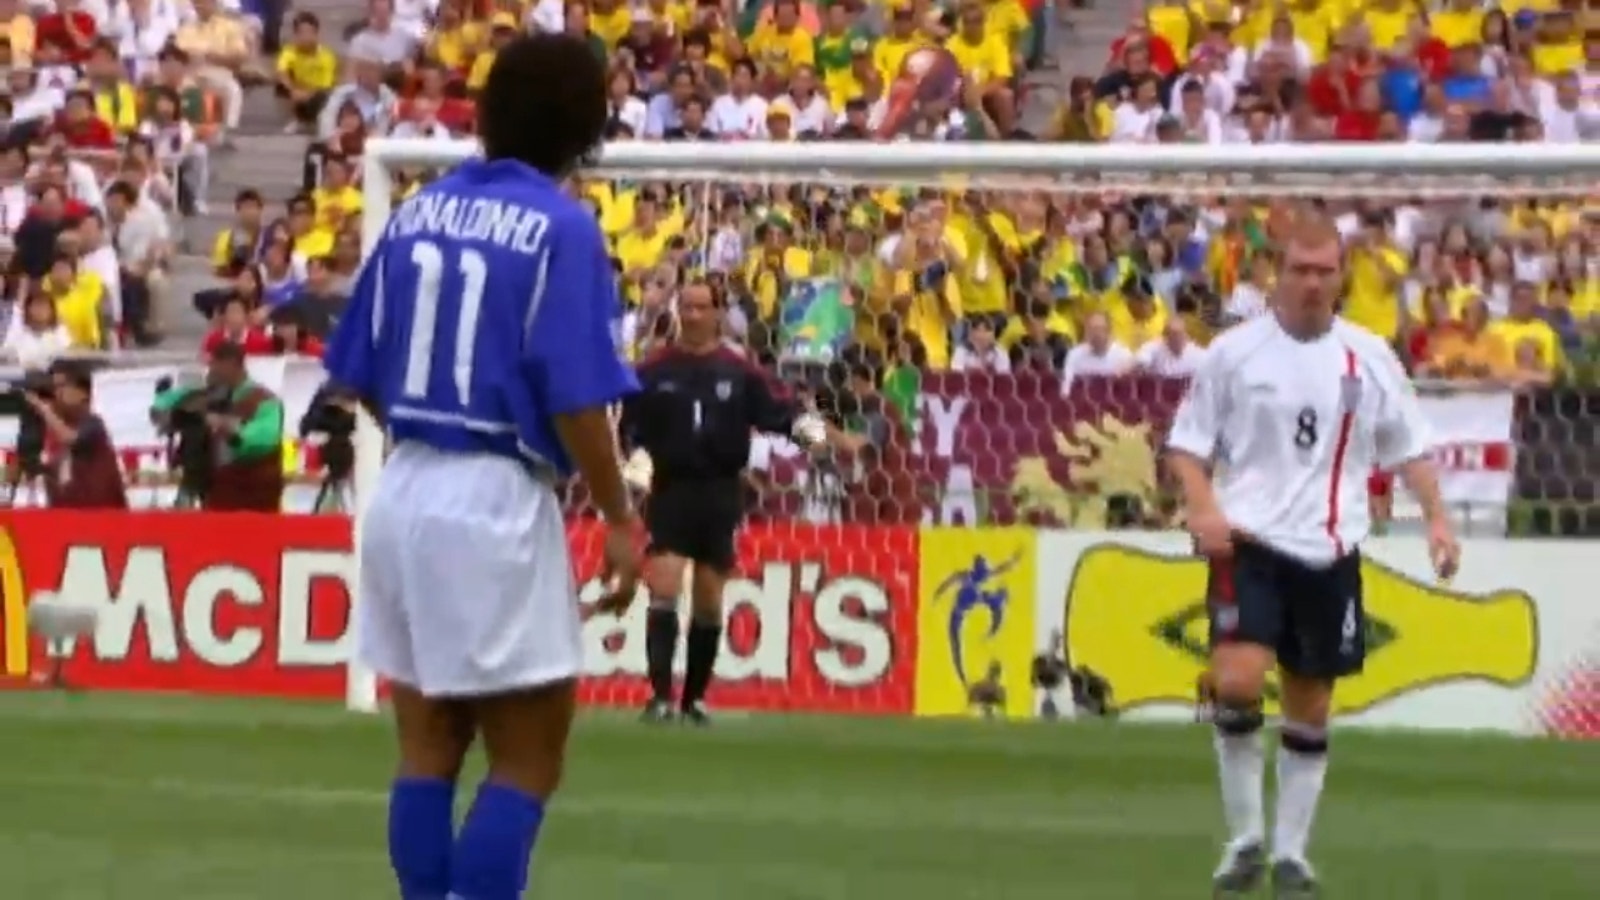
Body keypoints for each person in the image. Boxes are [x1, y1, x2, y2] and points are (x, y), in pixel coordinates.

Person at [321, 32, 640, 900]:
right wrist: (616, 517)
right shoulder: (562, 227)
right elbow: (576, 394)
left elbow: (358, 372)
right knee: (531, 754)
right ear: (586, 123)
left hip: (405, 482)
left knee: (428, 745)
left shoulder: (416, 211)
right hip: (493, 493)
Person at [1164, 216, 1461, 898]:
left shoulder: (1369, 356)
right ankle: (1242, 842)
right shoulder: (1234, 353)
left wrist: (1438, 519)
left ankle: (1290, 856)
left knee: (1310, 704)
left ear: (1341, 275)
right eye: (1299, 268)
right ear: (1277, 271)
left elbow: (1408, 444)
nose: (1311, 282)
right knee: (1237, 681)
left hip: (1330, 551)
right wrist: (1203, 506)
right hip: (1250, 542)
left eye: (1324, 270)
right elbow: (1186, 443)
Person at [618, 279, 828, 724]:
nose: (692, 315)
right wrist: (633, 457)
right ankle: (659, 698)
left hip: (720, 490)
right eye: (686, 307)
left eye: (701, 308)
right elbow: (628, 424)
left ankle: (694, 699)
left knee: (710, 598)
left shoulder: (740, 372)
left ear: (718, 314)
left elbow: (779, 413)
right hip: (671, 487)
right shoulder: (654, 370)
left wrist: (819, 436)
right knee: (666, 583)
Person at [26, 359, 127, 509]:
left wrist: (42, 408)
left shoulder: (93, 424)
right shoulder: (53, 433)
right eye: (52, 387)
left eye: (61, 386)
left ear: (83, 393)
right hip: (68, 520)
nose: (56, 393)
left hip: (103, 521)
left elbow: (72, 439)